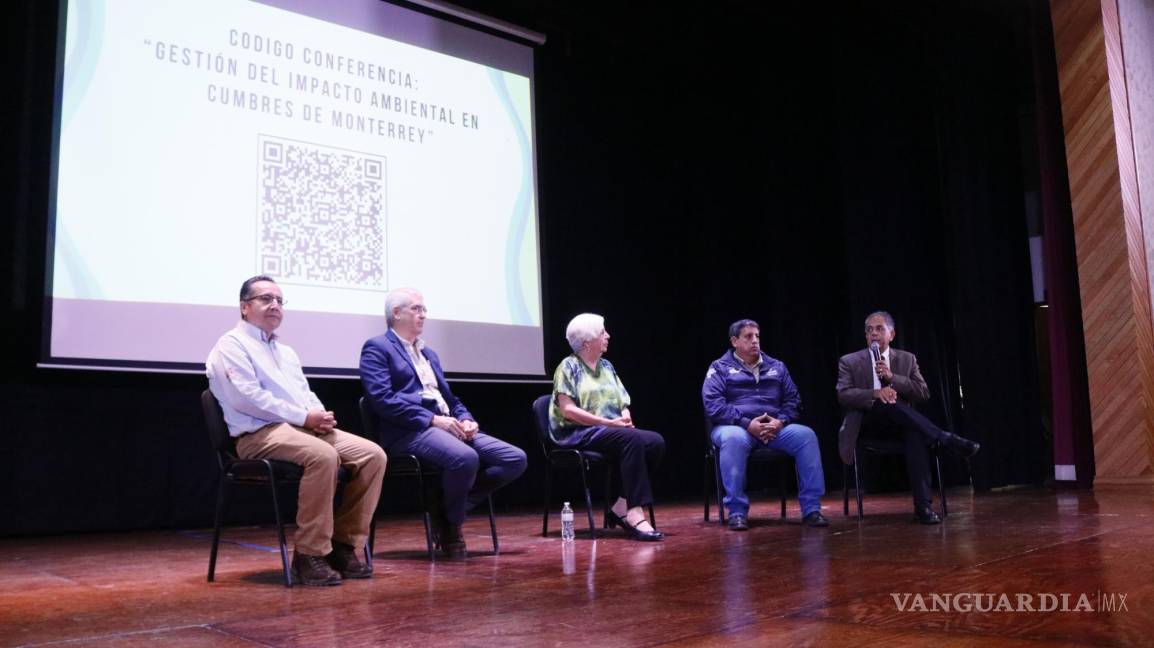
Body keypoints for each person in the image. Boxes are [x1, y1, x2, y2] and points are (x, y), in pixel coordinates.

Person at [206, 275, 386, 586]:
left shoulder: (285, 351)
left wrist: (319, 414)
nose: (274, 305)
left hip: (300, 428)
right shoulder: (230, 345)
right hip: (257, 435)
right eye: (265, 299)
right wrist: (304, 417)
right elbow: (247, 398)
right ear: (245, 307)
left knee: (373, 455)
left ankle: (343, 546)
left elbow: (304, 392)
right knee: (324, 456)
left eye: (279, 300)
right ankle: (309, 555)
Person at [359, 288, 527, 559]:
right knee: (466, 458)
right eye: (416, 309)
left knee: (514, 459)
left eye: (424, 309)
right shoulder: (377, 348)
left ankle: (447, 509)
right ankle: (452, 525)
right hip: (408, 430)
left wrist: (466, 419)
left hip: (447, 424)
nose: (423, 315)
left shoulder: (429, 354)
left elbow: (449, 398)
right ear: (396, 313)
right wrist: (433, 420)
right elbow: (382, 400)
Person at [836, 311, 980, 524]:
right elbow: (843, 394)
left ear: (892, 334)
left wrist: (893, 378)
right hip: (867, 423)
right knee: (887, 405)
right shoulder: (849, 361)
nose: (873, 334)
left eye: (879, 329)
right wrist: (876, 393)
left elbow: (923, 393)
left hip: (901, 422)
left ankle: (923, 508)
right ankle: (946, 439)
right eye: (869, 330)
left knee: (913, 432)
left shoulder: (906, 359)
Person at [549, 313, 665, 541]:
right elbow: (568, 410)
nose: (608, 336)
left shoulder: (607, 366)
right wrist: (608, 423)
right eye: (602, 332)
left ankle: (621, 506)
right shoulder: (568, 367)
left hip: (611, 431)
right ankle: (634, 513)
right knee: (630, 440)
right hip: (577, 432)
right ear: (586, 342)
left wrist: (625, 418)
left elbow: (622, 400)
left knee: (654, 442)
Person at [702, 319, 828, 530]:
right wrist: (746, 423)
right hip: (736, 428)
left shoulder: (777, 366)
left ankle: (812, 509)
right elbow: (713, 405)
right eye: (748, 337)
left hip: (775, 428)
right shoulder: (719, 367)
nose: (755, 341)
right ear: (734, 341)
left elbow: (794, 400)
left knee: (806, 436)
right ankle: (737, 511)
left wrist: (781, 421)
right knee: (732, 438)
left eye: (757, 336)